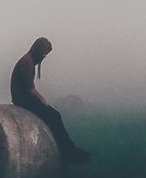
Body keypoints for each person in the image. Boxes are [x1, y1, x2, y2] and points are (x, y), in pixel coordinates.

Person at [10, 37, 91, 165]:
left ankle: (70, 149)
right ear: (37, 50)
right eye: (44, 53)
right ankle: (69, 151)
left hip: (24, 98)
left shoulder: (29, 60)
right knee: (54, 116)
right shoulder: (27, 62)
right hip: (22, 99)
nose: (44, 57)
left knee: (54, 116)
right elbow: (30, 88)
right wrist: (41, 99)